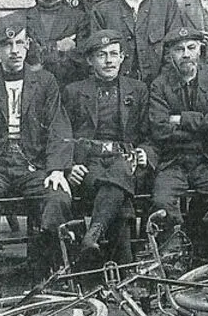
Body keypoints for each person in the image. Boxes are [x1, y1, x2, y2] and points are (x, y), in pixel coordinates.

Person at [0, 13, 74, 279]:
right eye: (7, 45)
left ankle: (43, 269)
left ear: (28, 44)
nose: (15, 51)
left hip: (31, 165)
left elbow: (58, 128)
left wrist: (56, 169)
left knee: (58, 197)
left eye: (20, 43)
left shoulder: (45, 82)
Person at [62, 30, 154, 262]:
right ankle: (123, 269)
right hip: (90, 163)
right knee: (119, 194)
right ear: (90, 61)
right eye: (101, 55)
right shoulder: (74, 91)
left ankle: (95, 232)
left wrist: (145, 152)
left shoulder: (138, 89)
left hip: (126, 159)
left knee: (122, 169)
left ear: (123, 57)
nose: (109, 60)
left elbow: (149, 135)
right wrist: (70, 166)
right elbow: (62, 135)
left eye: (114, 54)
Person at [149, 26, 208, 259]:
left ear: (200, 51)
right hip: (174, 161)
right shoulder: (160, 85)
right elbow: (160, 130)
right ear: (169, 55)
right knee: (162, 201)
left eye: (191, 48)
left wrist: (181, 119)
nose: (186, 54)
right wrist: (202, 125)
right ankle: (171, 260)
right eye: (179, 49)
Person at [91, 0, 186, 85]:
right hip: (118, 90)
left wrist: (160, 87)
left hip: (159, 90)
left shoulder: (166, 6)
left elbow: (174, 51)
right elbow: (97, 57)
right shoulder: (103, 11)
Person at [18, 0, 91, 86]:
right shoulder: (21, 19)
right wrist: (57, 47)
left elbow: (81, 59)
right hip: (32, 90)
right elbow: (24, 58)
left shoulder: (79, 19)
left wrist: (42, 54)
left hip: (67, 89)